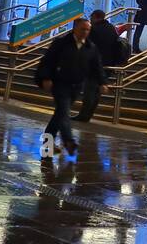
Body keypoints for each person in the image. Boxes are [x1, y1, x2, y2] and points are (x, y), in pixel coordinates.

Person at [35, 17, 104, 155]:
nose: (85, 32)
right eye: (82, 29)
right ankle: (69, 141)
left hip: (77, 85)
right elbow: (48, 60)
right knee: (64, 111)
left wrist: (103, 82)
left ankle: (47, 144)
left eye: (88, 30)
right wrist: (46, 78)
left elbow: (97, 66)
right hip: (60, 83)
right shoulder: (61, 43)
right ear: (75, 29)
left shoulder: (90, 47)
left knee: (59, 114)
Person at [77, 9, 127, 121]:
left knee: (89, 91)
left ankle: (84, 115)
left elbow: (86, 46)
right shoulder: (111, 28)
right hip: (108, 65)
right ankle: (88, 115)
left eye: (91, 17)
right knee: (96, 92)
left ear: (95, 17)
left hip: (94, 65)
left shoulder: (93, 29)